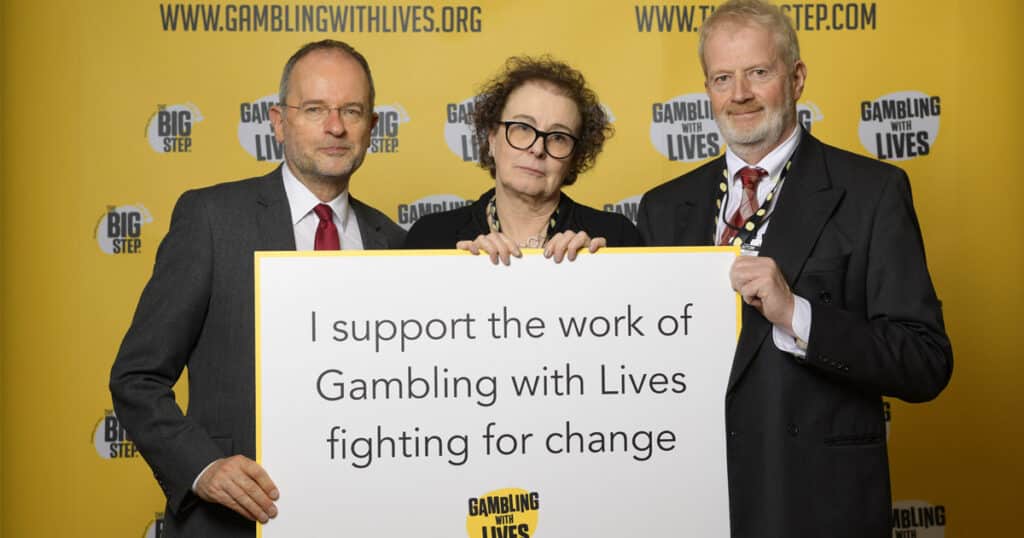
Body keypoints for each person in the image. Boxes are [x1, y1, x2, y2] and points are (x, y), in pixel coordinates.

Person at [635, 1, 952, 536]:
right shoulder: (664, 207)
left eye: (759, 73)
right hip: (696, 499)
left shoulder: (872, 193)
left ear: (797, 77)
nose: (739, 94)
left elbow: (925, 362)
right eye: (722, 78)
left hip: (817, 502)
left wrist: (797, 315)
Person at [109, 40, 405, 536]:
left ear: (372, 127)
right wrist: (203, 468)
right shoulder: (211, 219)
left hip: (361, 518)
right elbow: (137, 378)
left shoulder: (397, 244)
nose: (336, 126)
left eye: (351, 110)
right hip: (230, 523)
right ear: (278, 121)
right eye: (314, 109)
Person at [404, 56, 641, 260]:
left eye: (558, 137)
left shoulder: (616, 238)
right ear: (492, 138)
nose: (538, 148)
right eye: (523, 128)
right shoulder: (431, 237)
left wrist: (602, 271)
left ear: (575, 157)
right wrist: (461, 273)